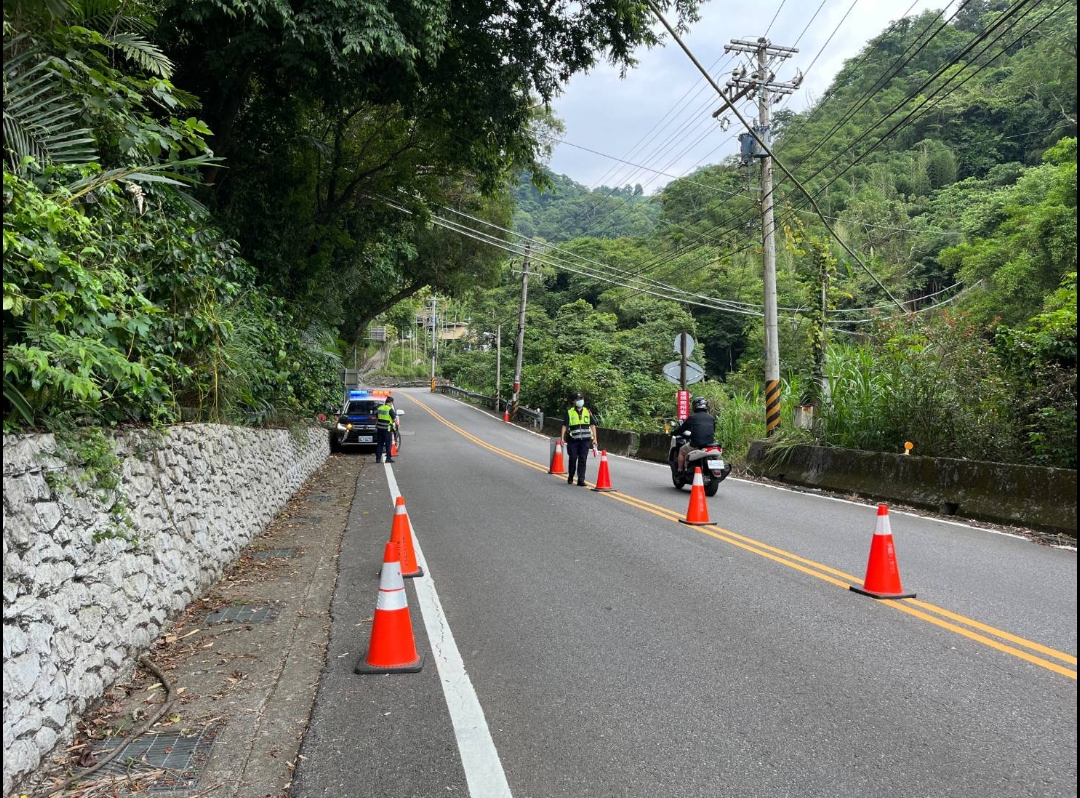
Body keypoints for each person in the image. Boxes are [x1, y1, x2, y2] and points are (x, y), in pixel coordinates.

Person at [560, 392, 598, 487]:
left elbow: (593, 425)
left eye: (581, 398)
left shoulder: (587, 412)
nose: (580, 401)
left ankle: (581, 479)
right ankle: (571, 476)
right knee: (572, 458)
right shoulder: (570, 412)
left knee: (582, 459)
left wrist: (595, 439)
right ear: (574, 401)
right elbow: (564, 426)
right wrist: (562, 438)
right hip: (573, 440)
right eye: (577, 399)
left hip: (585, 440)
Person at [674, 396, 716, 473]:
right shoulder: (711, 418)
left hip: (696, 444)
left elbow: (682, 429)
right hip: (710, 444)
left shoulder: (692, 417)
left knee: (681, 450)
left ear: (695, 406)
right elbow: (713, 430)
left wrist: (674, 433)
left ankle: (679, 470)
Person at [375, 395, 397, 463]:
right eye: (392, 403)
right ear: (390, 402)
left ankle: (378, 459)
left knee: (380, 444)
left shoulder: (379, 408)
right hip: (387, 429)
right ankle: (388, 458)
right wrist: (394, 422)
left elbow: (377, 417)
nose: (391, 404)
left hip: (379, 429)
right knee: (388, 444)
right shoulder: (389, 409)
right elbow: (394, 419)